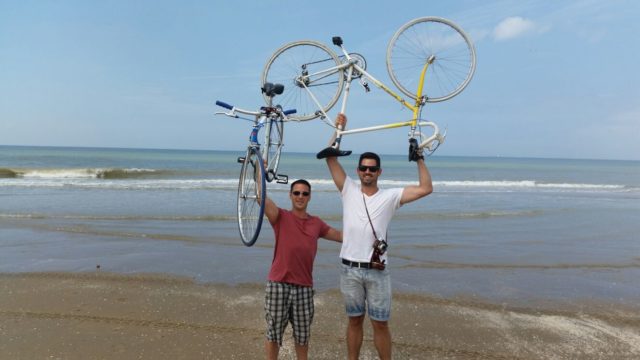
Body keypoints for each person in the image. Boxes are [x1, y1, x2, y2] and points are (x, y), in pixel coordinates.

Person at [320, 113, 433, 360]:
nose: (367, 171)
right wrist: (339, 129)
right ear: (357, 170)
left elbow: (426, 188)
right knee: (354, 322)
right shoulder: (348, 189)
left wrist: (419, 158)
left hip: (377, 270)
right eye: (363, 168)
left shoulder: (390, 196)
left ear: (379, 172)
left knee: (380, 324)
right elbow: (329, 156)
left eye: (372, 168)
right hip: (349, 269)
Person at [260, 178, 342, 360]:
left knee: (302, 337)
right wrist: (259, 170)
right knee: (273, 334)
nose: (300, 196)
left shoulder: (317, 224)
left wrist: (367, 233)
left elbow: (341, 236)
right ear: (290, 195)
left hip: (304, 287)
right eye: (296, 193)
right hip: (278, 284)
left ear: (310, 197)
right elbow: (261, 197)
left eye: (305, 193)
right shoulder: (280, 217)